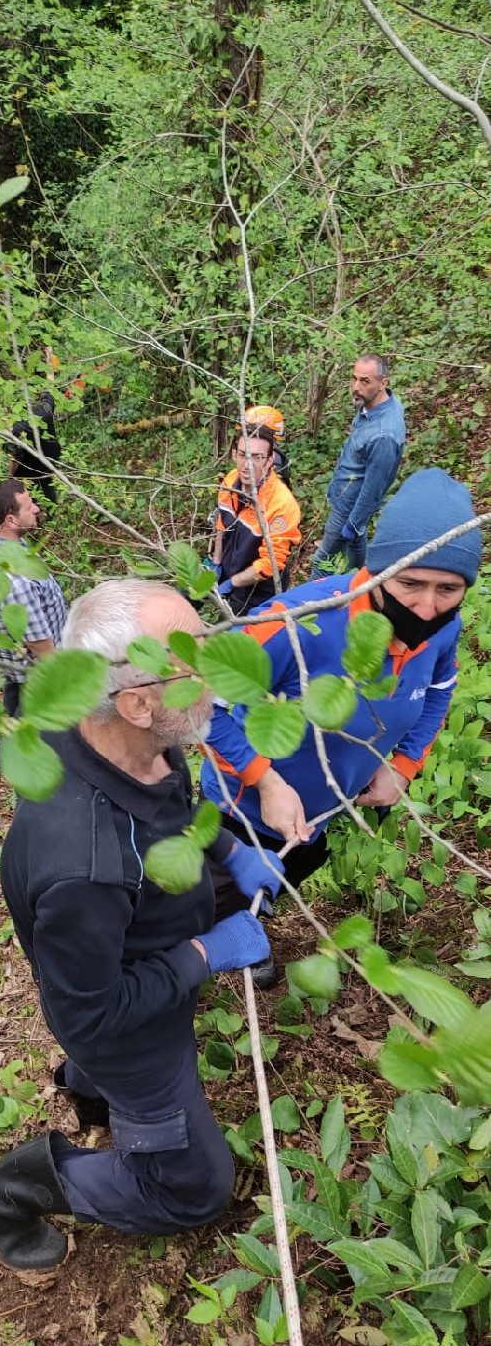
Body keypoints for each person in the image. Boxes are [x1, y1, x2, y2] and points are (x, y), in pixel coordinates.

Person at [0, 579, 284, 1279]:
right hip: (126, 1027)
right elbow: (93, 1012)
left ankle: (93, 1095)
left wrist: (226, 850)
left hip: (129, 959)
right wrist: (203, 951)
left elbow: (168, 802)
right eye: (196, 664)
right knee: (196, 1185)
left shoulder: (130, 738)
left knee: (101, 1050)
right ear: (137, 701)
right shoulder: (89, 866)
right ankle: (1, 1192)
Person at [201, 469, 481, 980]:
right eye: (410, 582)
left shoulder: (444, 627)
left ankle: (254, 916)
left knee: (287, 875)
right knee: (218, 889)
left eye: (448, 588)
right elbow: (204, 707)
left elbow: (440, 691)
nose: (425, 606)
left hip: (325, 808)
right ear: (376, 569)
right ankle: (215, 943)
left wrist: (405, 763)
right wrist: (263, 779)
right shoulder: (295, 620)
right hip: (240, 809)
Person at [0, 480, 66, 718]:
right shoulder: (17, 583)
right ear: (10, 520)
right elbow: (39, 644)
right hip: (34, 672)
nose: (36, 509)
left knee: (14, 698)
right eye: (29, 506)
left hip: (9, 662)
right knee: (28, 720)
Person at [311, 354, 406, 576]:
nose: (356, 387)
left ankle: (305, 610)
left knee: (321, 564)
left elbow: (374, 488)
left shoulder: (384, 435)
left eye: (365, 381)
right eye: (354, 379)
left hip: (349, 508)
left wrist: (353, 523)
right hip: (348, 500)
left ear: (383, 383)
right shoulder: (374, 404)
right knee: (355, 555)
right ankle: (364, 584)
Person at [211, 424, 301, 616]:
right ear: (234, 454)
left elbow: (271, 564)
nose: (247, 465)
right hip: (230, 565)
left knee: (236, 637)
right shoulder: (230, 480)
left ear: (269, 461)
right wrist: (216, 562)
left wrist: (232, 583)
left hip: (257, 588)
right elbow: (221, 522)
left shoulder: (281, 504)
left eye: (257, 457)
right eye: (243, 455)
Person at [10, 392, 62, 505]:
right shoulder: (45, 409)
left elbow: (16, 456)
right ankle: (51, 511)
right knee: (47, 481)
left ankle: (34, 511)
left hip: (31, 463)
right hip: (51, 455)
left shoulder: (18, 428)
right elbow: (49, 395)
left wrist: (10, 474)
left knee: (28, 484)